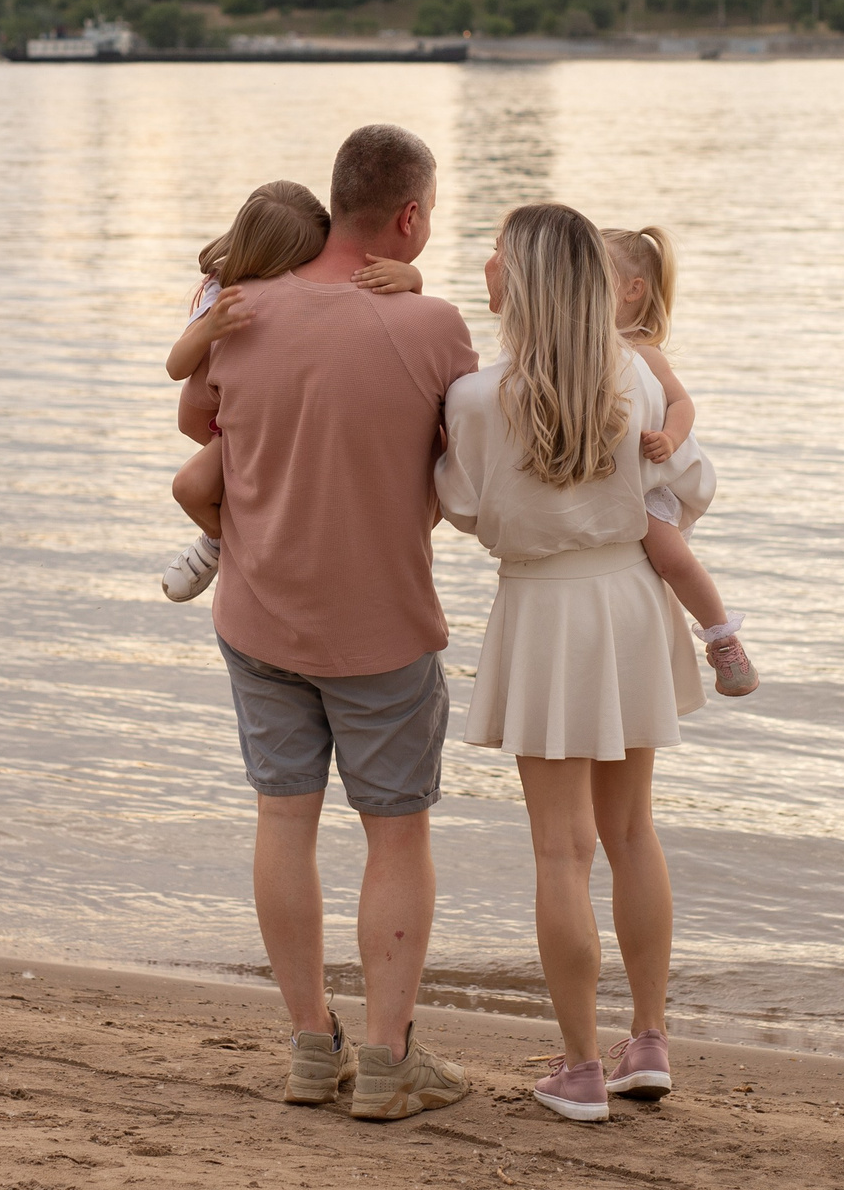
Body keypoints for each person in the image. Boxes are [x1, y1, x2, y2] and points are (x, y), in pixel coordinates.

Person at [176, 124, 479, 1121]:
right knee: (395, 836)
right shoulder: (432, 326)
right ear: (408, 216)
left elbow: (202, 426)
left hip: (259, 613)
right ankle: (387, 1061)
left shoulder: (240, 311)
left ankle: (313, 1047)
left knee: (283, 817)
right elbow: (459, 468)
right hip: (381, 627)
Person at [434, 203, 716, 1124]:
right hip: (630, 600)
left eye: (494, 253)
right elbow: (692, 487)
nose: (481, 264)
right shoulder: (634, 375)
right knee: (632, 833)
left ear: (517, 279)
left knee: (560, 849)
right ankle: (648, 1041)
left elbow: (464, 508)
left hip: (543, 608)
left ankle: (581, 1066)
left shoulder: (476, 396)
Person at [160, 180, 421, 601]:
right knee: (188, 486)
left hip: (291, 427)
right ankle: (220, 542)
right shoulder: (219, 291)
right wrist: (206, 331)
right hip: (235, 430)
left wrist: (413, 278)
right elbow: (175, 367)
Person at [602, 225, 755, 695]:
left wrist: (670, 437)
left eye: (597, 274)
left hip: (649, 487)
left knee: (670, 558)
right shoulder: (584, 343)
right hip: (617, 482)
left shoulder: (643, 352)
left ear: (633, 290)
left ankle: (722, 638)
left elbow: (683, 404)